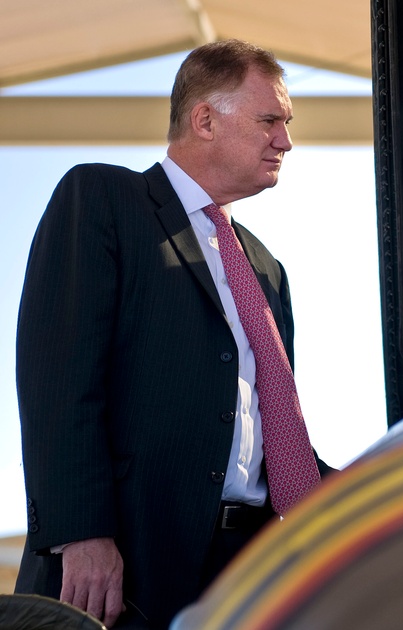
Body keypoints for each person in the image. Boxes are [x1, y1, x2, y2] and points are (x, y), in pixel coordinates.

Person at [14, 39, 335, 628]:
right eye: (270, 120)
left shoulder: (268, 270)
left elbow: (268, 434)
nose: (285, 141)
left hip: (250, 574)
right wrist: (81, 533)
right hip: (129, 568)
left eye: (286, 124)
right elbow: (58, 379)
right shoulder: (103, 200)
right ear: (205, 118)